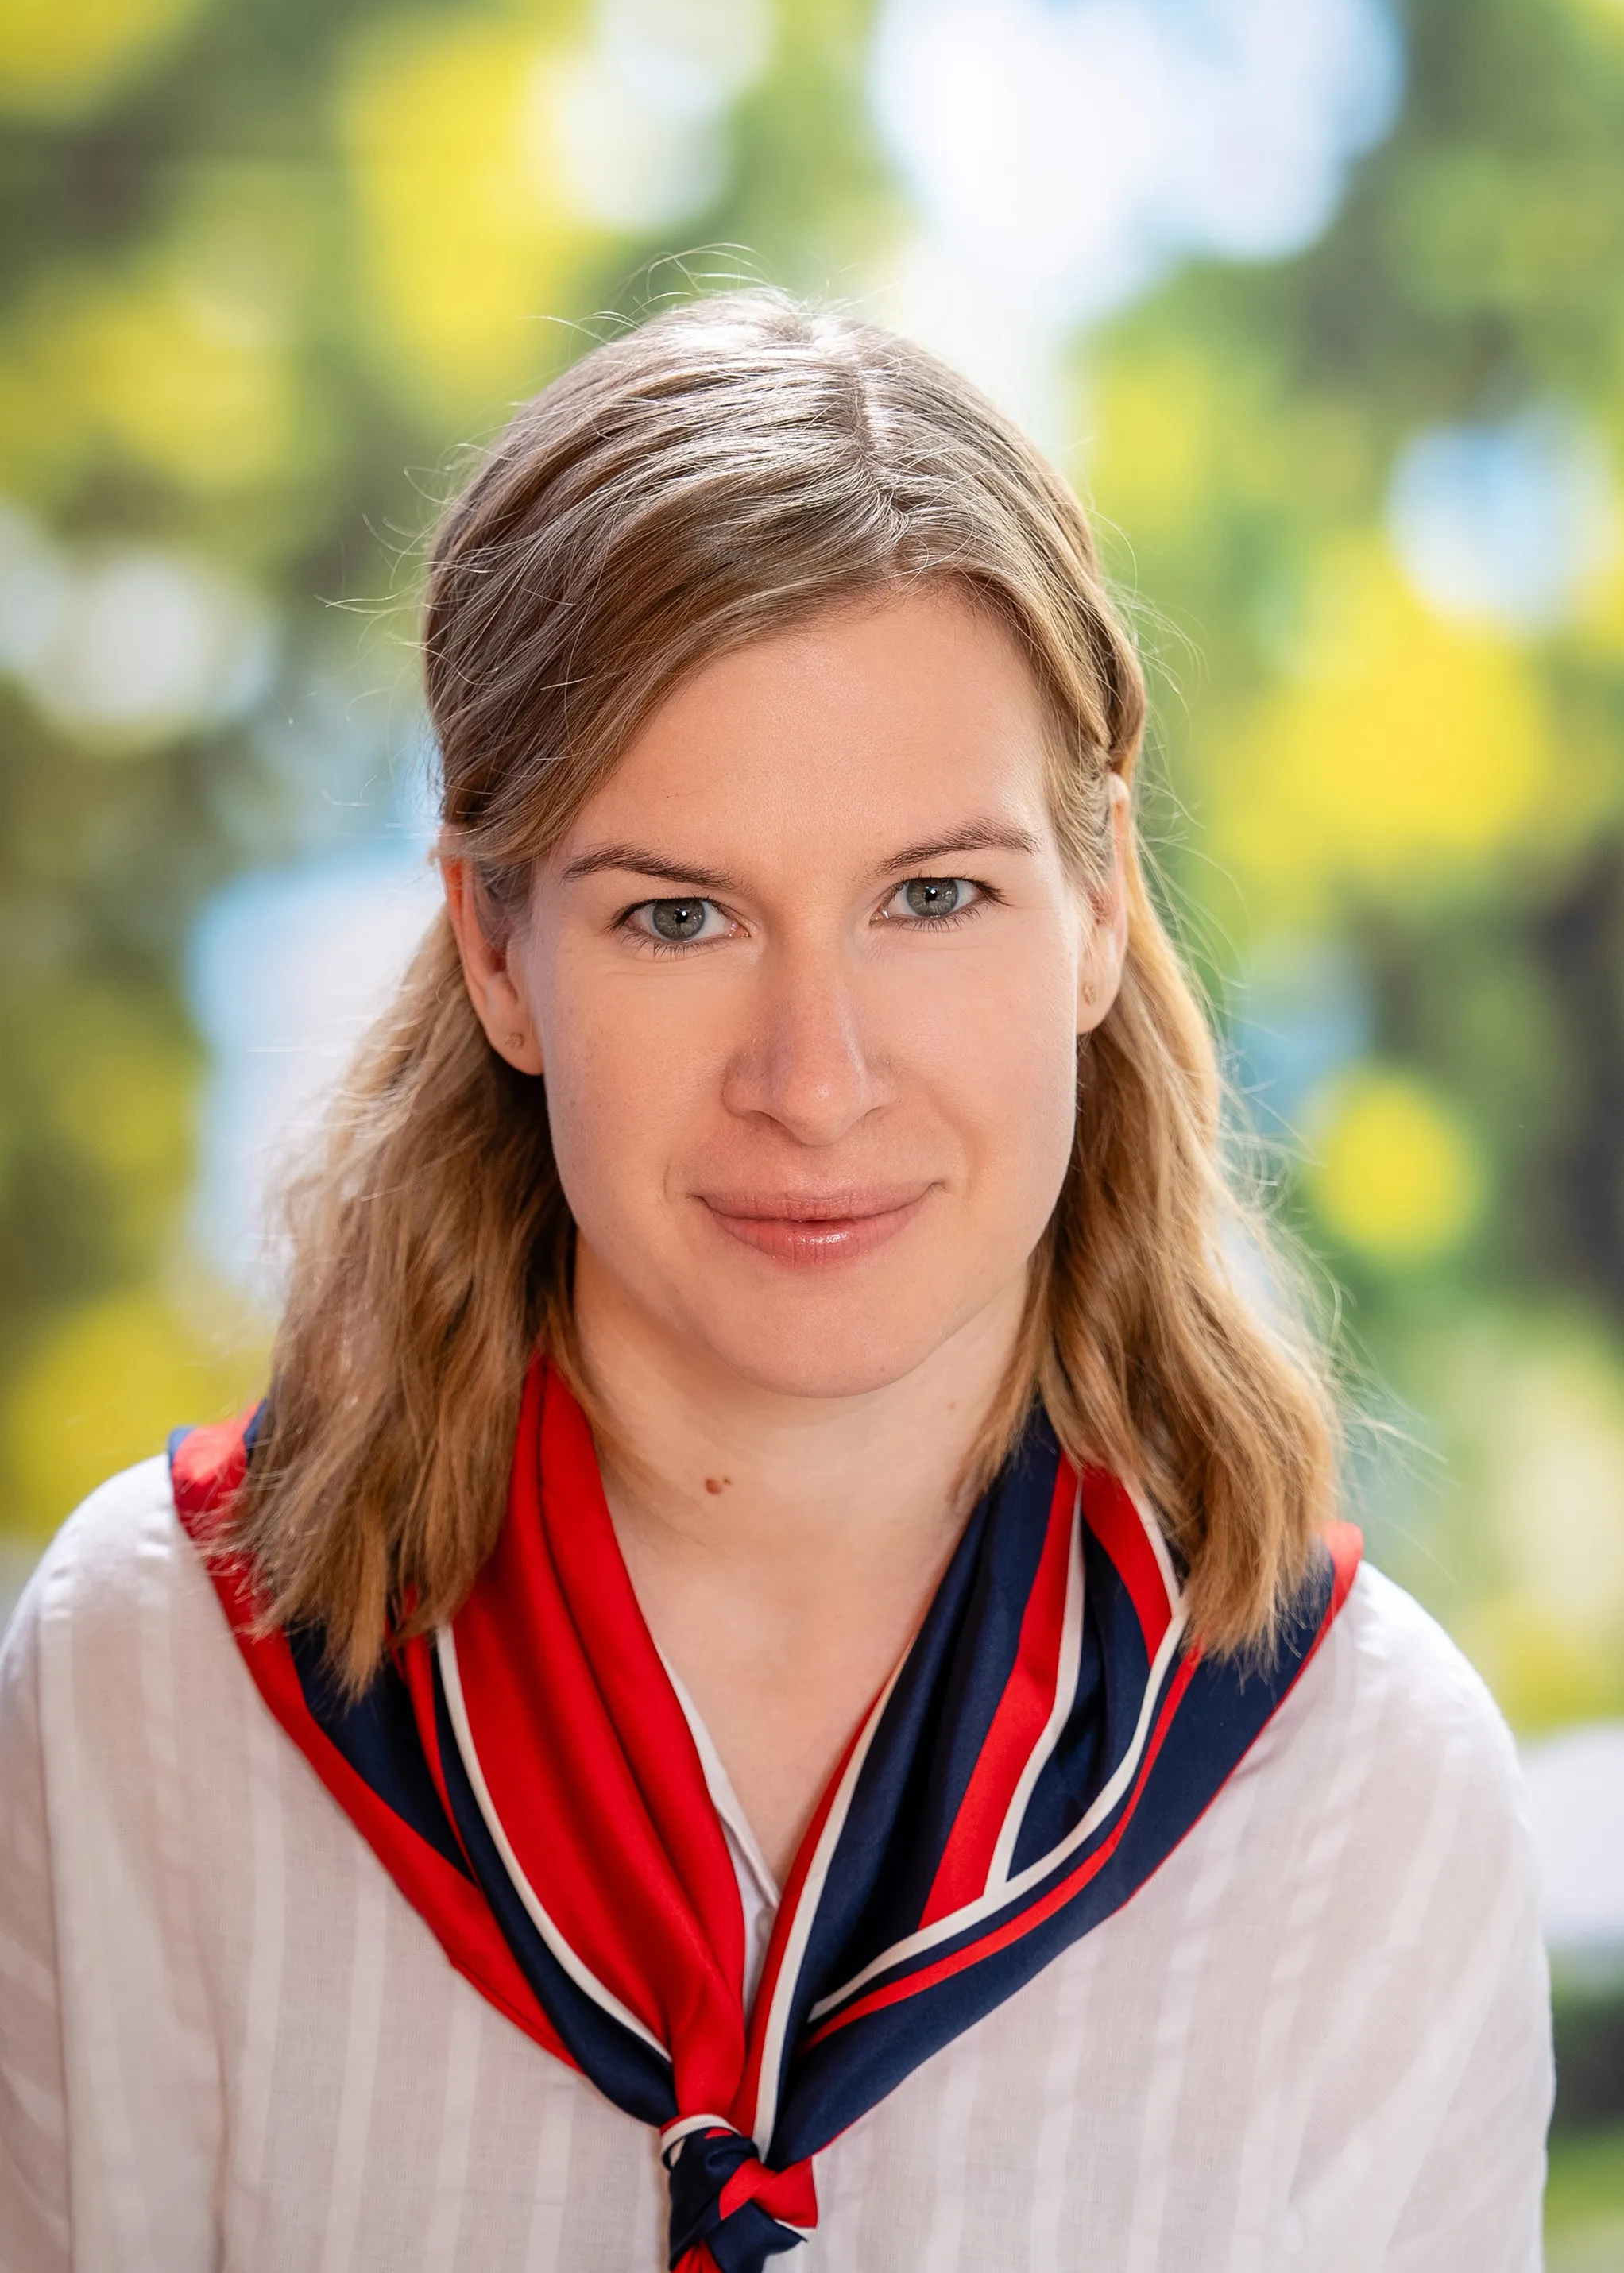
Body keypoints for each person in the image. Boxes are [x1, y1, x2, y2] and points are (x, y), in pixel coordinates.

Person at [0, 292, 1551, 2271]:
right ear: (494, 953)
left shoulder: (1367, 1791)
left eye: (931, 896)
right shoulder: (149, 1679)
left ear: (1094, 905)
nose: (812, 1082)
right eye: (678, 916)